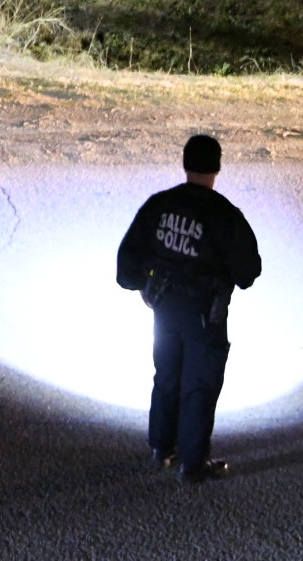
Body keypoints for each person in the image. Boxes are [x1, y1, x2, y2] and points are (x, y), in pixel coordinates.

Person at [117, 134, 261, 483]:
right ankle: (192, 464)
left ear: (185, 163)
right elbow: (248, 272)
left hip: (164, 306)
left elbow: (126, 263)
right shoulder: (225, 215)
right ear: (217, 167)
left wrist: (142, 287)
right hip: (203, 314)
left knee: (167, 374)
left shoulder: (159, 204)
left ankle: (161, 447)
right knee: (200, 383)